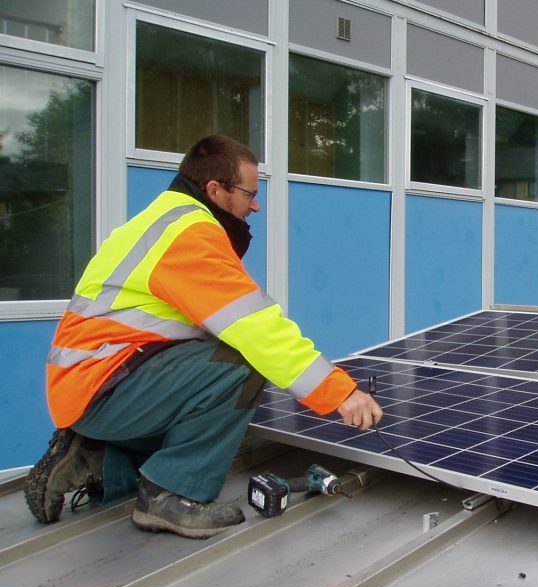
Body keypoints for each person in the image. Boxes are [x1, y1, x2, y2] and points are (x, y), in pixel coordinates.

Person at [25, 135, 383, 538]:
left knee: (209, 366)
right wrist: (341, 394)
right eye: (249, 193)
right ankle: (170, 495)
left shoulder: (163, 220)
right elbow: (256, 328)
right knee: (239, 362)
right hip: (103, 384)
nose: (256, 205)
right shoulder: (188, 236)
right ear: (215, 189)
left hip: (98, 381)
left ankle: (101, 457)